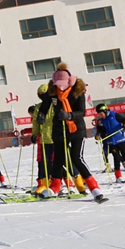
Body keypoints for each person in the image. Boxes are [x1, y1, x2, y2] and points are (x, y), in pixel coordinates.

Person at [37, 63, 107, 203]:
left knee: (76, 157)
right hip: (59, 129)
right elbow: (44, 107)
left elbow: (82, 112)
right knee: (58, 158)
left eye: (63, 84)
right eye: (58, 84)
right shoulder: (52, 91)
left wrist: (69, 115)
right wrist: (41, 115)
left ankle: (94, 188)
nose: (60, 87)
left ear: (70, 81)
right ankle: (54, 188)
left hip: (76, 129)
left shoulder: (78, 91)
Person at [31, 84, 86, 196]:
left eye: (44, 94)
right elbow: (36, 123)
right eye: (40, 95)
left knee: (68, 161)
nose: (43, 97)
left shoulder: (57, 104)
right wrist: (35, 134)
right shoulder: (39, 107)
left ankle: (77, 183)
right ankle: (47, 185)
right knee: (47, 163)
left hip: (59, 137)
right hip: (45, 140)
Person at [95, 104, 125, 183]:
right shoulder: (102, 120)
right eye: (99, 114)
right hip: (111, 142)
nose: (100, 115)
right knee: (116, 158)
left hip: (120, 139)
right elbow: (101, 129)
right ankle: (118, 176)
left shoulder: (114, 115)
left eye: (101, 113)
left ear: (105, 111)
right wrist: (98, 134)